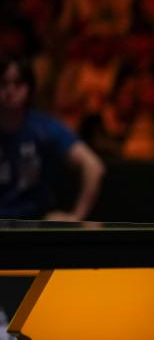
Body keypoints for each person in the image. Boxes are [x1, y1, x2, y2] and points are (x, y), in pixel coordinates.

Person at [0, 57, 105, 221]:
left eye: (18, 83)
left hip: (34, 223)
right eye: (3, 83)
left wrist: (76, 216)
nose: (10, 90)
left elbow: (94, 166)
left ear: (29, 88)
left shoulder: (44, 127)